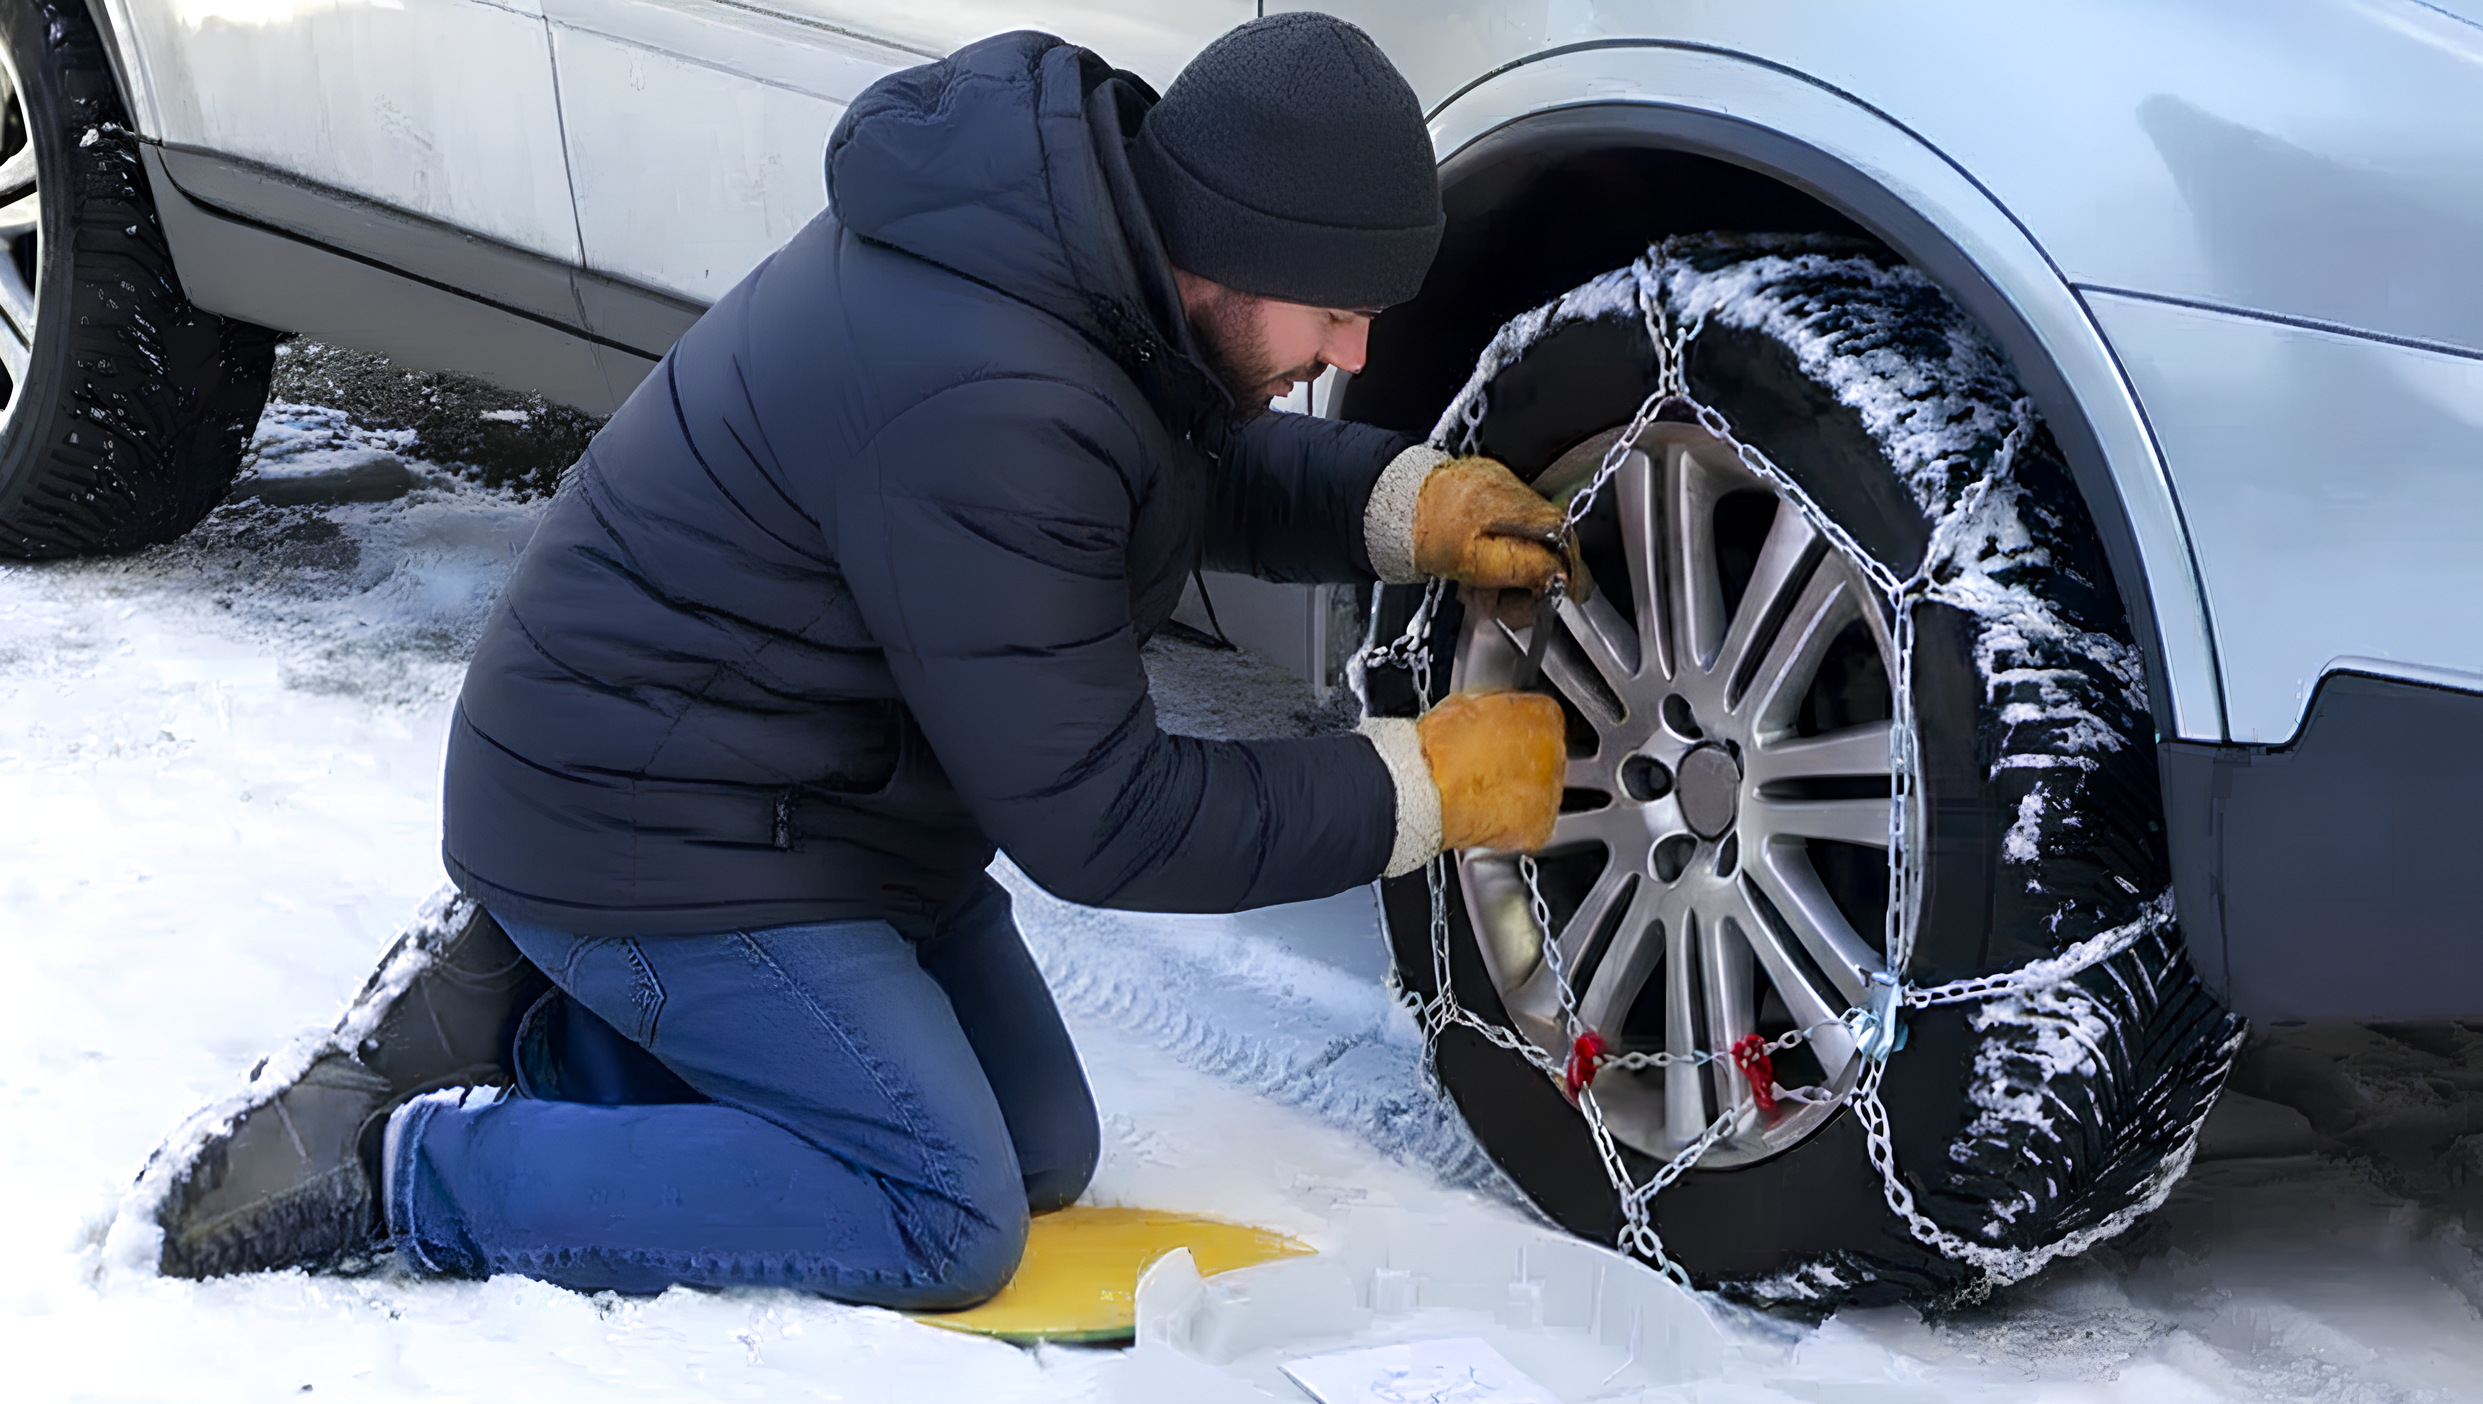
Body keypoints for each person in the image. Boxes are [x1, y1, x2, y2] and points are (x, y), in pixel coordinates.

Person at [158, 13, 1576, 1305]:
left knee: (1038, 1146)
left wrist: (1403, 504)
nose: (1352, 347)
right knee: (942, 1212)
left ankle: (538, 1020)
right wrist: (1420, 792)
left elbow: (1181, 464)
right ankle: (405, 1166)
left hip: (804, 805)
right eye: (1332, 309)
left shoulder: (1084, 273)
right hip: (640, 822)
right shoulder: (996, 391)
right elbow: (1105, 821)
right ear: (1228, 242)